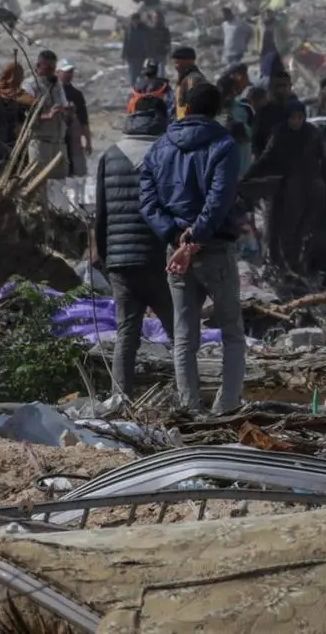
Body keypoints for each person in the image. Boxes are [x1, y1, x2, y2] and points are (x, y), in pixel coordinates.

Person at [139, 82, 246, 414]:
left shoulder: (160, 147)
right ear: (216, 109)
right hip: (213, 249)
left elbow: (147, 200)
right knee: (231, 331)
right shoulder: (224, 145)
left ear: (183, 107)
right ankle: (226, 405)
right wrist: (194, 237)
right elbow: (219, 199)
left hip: (176, 254)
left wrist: (176, 237)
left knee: (184, 336)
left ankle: (189, 405)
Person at [91, 94, 174, 401]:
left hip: (120, 262)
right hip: (158, 260)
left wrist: (103, 256)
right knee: (179, 333)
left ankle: (119, 400)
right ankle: (189, 397)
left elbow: (101, 215)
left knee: (127, 335)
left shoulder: (110, 154)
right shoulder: (166, 153)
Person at [246, 99, 326, 281]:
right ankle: (287, 267)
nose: (296, 121)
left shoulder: (312, 134)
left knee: (306, 231)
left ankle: (300, 268)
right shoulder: (280, 133)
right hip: (289, 190)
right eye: (293, 118)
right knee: (286, 230)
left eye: (300, 117)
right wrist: (248, 176)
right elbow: (266, 158)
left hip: (312, 189)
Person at [24, 50, 70, 180]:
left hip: (58, 142)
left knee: (59, 186)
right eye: (48, 68)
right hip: (40, 143)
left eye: (53, 68)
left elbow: (63, 106)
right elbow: (26, 118)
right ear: (39, 66)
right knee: (39, 184)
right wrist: (48, 116)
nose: (51, 72)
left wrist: (67, 111)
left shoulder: (57, 85)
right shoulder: (30, 86)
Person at [121, 0, 171, 86]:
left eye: (137, 20)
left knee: (148, 74)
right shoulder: (129, 29)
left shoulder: (146, 29)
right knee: (133, 75)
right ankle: (135, 91)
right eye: (134, 21)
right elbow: (126, 42)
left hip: (144, 55)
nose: (135, 23)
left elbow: (149, 42)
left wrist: (151, 54)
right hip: (132, 55)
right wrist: (124, 54)